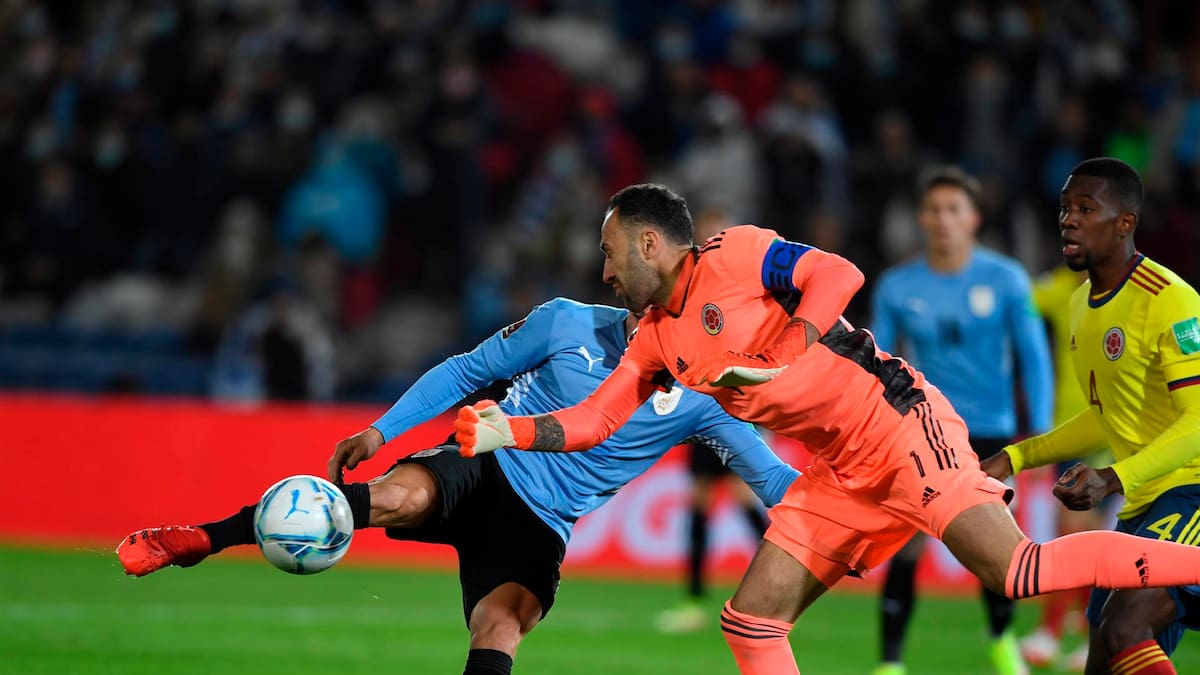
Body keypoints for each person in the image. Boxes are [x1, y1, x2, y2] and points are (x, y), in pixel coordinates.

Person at [454, 182, 1200, 675]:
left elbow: (838, 274)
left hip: (899, 425)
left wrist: (785, 351)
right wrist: (506, 432)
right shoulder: (652, 339)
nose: (605, 273)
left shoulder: (736, 253)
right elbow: (594, 419)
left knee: (1017, 571)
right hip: (840, 467)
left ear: (650, 244)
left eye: (611, 253)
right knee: (751, 621)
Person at [116, 297, 799, 675]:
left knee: (501, 624)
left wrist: (854, 506)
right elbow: (468, 370)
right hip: (485, 465)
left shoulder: (709, 400)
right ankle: (203, 538)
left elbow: (773, 480)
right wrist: (382, 430)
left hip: (542, 524)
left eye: (613, 252)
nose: (608, 270)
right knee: (395, 496)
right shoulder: (568, 321)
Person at [982, 157, 1200, 675]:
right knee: (1103, 655)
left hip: (1191, 493)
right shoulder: (1081, 304)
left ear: (1125, 223)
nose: (1069, 221)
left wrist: (1113, 477)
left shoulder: (1170, 301)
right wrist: (1014, 458)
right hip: (1144, 504)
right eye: (1064, 209)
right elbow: (1108, 415)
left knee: (1126, 624)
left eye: (1085, 209)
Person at [868, 166, 1053, 675]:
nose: (943, 219)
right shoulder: (897, 285)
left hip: (990, 432)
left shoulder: (1006, 278)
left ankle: (1001, 643)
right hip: (923, 430)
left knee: (995, 551)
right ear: (921, 218)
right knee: (906, 543)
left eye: (954, 209)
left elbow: (1033, 354)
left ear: (973, 218)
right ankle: (890, 663)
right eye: (934, 209)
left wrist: (1039, 430)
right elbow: (874, 360)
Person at [656, 205, 772, 635]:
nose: (710, 244)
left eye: (717, 235)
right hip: (701, 410)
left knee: (744, 499)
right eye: (705, 236)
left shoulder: (745, 290)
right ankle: (693, 600)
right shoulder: (685, 294)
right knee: (701, 503)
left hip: (738, 412)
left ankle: (782, 585)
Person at [1019, 263, 1110, 671]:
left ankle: (1057, 631)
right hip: (1068, 429)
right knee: (1082, 534)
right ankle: (1082, 630)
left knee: (1077, 531)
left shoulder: (1133, 291)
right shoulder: (1058, 289)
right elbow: (1018, 305)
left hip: (1112, 429)